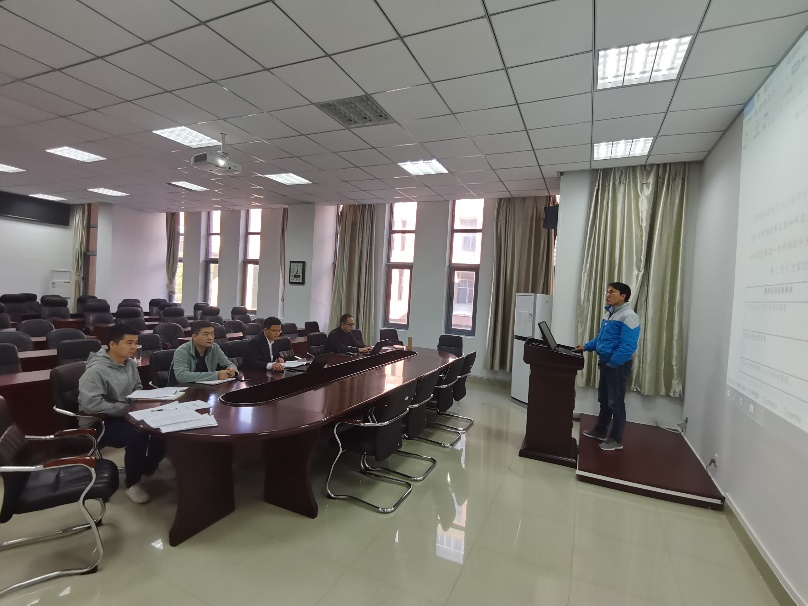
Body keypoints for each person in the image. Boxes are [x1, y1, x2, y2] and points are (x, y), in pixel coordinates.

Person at [78, 323, 168, 504]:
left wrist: (143, 402)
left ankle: (147, 467)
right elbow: (91, 404)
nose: (134, 347)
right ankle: (133, 482)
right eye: (129, 343)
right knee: (138, 434)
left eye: (136, 343)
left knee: (161, 426)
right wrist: (126, 409)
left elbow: (137, 387)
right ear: (113, 344)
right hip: (100, 421)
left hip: (124, 414)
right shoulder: (96, 370)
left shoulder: (129, 363)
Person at [575, 282, 640, 451]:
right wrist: (586, 346)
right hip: (606, 363)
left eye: (612, 292)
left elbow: (628, 346)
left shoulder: (629, 316)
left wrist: (613, 363)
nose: (608, 295)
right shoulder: (610, 313)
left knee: (615, 403)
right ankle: (600, 430)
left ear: (623, 296)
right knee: (604, 400)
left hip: (617, 366)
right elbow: (601, 338)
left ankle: (616, 439)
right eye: (607, 291)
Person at [170, 320, 238, 384]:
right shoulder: (182, 351)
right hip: (182, 389)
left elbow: (229, 364)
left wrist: (233, 371)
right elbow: (182, 376)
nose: (210, 338)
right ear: (194, 337)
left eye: (212, 334)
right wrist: (216, 375)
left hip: (206, 388)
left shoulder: (215, 348)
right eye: (206, 334)